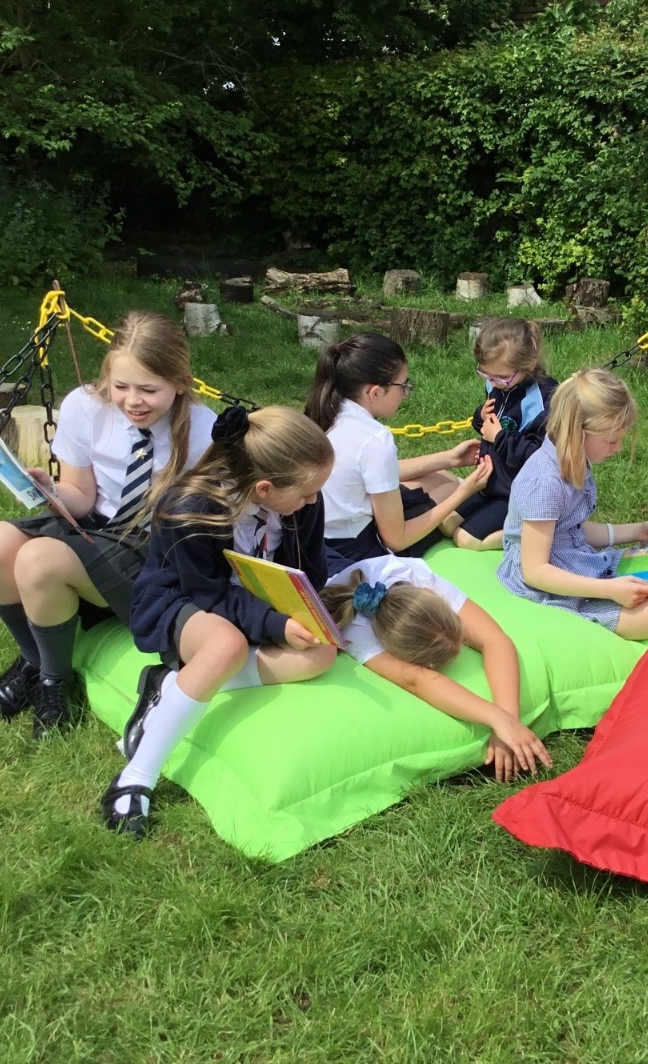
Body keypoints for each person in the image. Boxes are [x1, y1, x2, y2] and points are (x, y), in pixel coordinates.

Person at [0, 312, 216, 738]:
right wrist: (51, 491)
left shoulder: (203, 430)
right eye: (121, 386)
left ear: (180, 383)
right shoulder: (86, 406)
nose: (132, 400)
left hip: (150, 550)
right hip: (94, 525)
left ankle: (54, 682)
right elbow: (80, 496)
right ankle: (33, 661)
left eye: (148, 390)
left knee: (39, 559)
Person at [103, 406, 337, 837]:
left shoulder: (302, 503)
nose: (313, 500)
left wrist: (299, 610)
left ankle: (170, 686)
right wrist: (274, 625)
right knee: (225, 646)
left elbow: (309, 570)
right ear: (264, 488)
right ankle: (136, 776)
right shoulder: (191, 509)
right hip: (183, 603)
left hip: (253, 604)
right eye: (306, 494)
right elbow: (207, 593)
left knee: (323, 654)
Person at [321, 557, 552, 783]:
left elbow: (494, 639)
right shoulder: (355, 631)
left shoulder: (415, 577)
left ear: (434, 597)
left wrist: (508, 719)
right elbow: (416, 680)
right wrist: (494, 716)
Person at [497, 368, 648, 640]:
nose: (618, 448)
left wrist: (637, 530)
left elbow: (571, 529)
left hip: (576, 560)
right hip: (551, 587)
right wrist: (611, 591)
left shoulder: (571, 460)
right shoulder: (545, 482)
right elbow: (535, 571)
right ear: (578, 432)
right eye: (611, 440)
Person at [304, 332, 492, 573]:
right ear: (375, 392)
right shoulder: (374, 438)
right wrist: (465, 491)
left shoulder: (328, 411)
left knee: (441, 475)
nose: (405, 393)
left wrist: (449, 457)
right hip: (357, 549)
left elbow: (376, 472)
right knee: (449, 487)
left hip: (320, 534)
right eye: (403, 386)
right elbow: (396, 539)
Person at [438, 318, 559, 551]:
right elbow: (490, 423)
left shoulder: (546, 399)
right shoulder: (499, 383)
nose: (493, 383)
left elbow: (540, 457)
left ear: (530, 364)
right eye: (486, 376)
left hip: (518, 493)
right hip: (489, 484)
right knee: (446, 522)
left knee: (466, 540)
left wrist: (500, 437)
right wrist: (480, 417)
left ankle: (540, 533)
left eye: (501, 377)